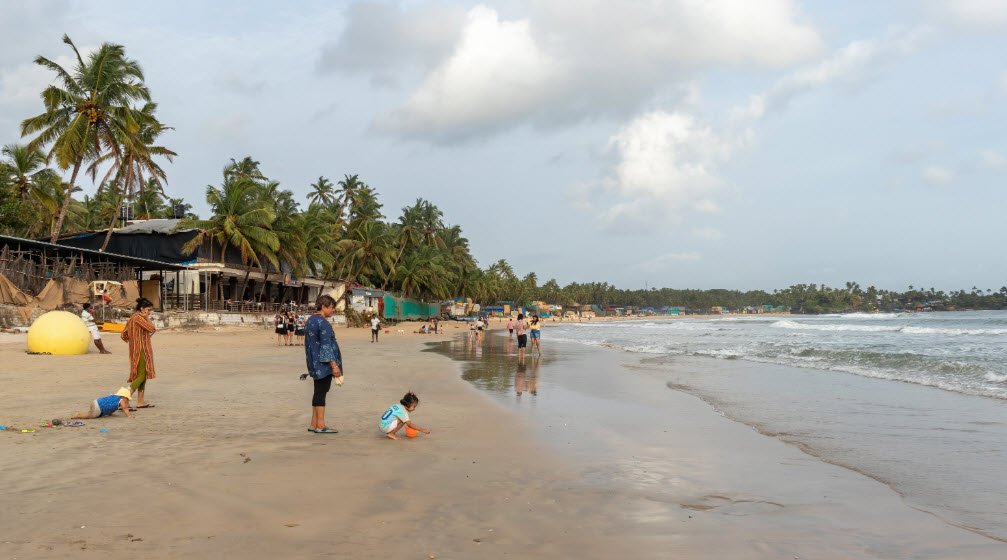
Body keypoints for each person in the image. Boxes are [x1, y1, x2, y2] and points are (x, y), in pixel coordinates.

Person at [304, 295, 344, 433]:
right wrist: (334, 366)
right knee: (321, 393)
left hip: (313, 361)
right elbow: (326, 346)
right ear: (323, 307)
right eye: (331, 307)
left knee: (318, 392)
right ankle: (320, 425)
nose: (333, 310)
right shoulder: (323, 323)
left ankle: (313, 424)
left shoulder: (311, 320)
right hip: (323, 364)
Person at [121, 298, 156, 409]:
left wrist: (133, 339)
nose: (149, 312)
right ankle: (124, 400)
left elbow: (124, 334)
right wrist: (146, 318)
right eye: (148, 310)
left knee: (143, 375)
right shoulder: (138, 318)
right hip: (141, 349)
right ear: (142, 309)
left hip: (137, 348)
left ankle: (140, 401)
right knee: (141, 376)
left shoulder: (133, 317)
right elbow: (152, 328)